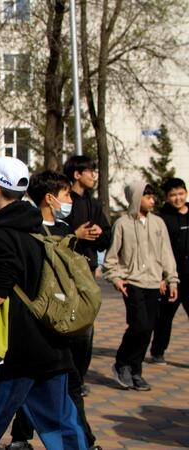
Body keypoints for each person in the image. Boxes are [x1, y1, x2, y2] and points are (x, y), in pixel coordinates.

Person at [0, 157, 86, 449]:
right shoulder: (39, 227)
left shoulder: (2, 234)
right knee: (63, 425)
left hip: (14, 350)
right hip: (50, 346)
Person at [5, 170, 97, 450]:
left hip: (66, 317)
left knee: (61, 384)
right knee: (40, 384)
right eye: (66, 194)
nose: (70, 199)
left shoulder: (64, 229)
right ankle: (25, 438)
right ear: (49, 198)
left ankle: (26, 437)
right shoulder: (29, 230)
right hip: (39, 321)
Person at [105, 181, 178, 391]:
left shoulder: (158, 223)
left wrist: (171, 279)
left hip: (154, 283)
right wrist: (117, 278)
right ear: (136, 198)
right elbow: (111, 258)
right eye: (147, 196)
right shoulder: (122, 224)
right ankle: (121, 363)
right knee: (139, 325)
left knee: (148, 329)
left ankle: (135, 371)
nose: (152, 200)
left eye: (152, 196)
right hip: (132, 283)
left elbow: (166, 253)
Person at [62, 155, 111, 396]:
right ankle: (67, 379)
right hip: (66, 274)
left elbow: (105, 240)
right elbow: (55, 235)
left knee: (87, 329)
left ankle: (78, 379)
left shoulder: (94, 205)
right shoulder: (65, 202)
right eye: (90, 171)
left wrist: (101, 233)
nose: (94, 175)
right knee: (68, 328)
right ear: (77, 174)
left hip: (88, 274)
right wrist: (76, 235)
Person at [150, 177, 189, 364]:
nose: (177, 198)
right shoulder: (161, 219)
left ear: (186, 193)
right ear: (166, 197)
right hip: (171, 277)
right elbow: (156, 250)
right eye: (173, 195)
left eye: (181, 194)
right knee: (164, 318)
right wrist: (161, 277)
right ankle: (158, 351)